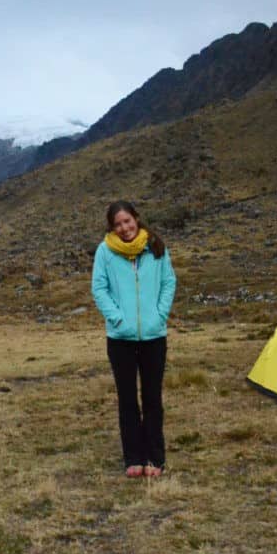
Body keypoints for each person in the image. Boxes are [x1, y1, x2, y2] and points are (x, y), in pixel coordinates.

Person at [91, 200, 177, 478]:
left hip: (154, 336)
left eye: (127, 221)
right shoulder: (105, 251)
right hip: (120, 339)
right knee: (127, 399)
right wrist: (116, 318)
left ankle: (155, 458)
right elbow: (99, 288)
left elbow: (168, 282)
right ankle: (133, 458)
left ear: (137, 219)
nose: (124, 228)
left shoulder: (156, 247)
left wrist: (160, 314)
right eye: (118, 224)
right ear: (112, 228)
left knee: (152, 397)